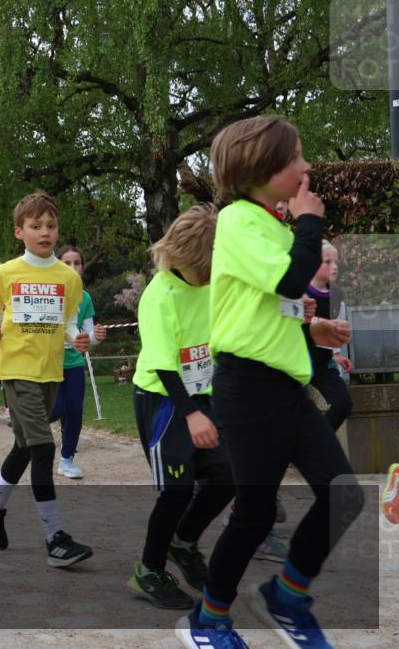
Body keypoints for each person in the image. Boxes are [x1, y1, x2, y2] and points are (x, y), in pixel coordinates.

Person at [176, 116, 361, 649]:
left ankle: (287, 596)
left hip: (285, 387)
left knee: (343, 495)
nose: (306, 166)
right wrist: (310, 222)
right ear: (263, 168)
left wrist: (311, 327)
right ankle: (208, 620)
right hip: (248, 388)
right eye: (296, 158)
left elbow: (271, 301)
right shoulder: (237, 221)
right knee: (254, 515)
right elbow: (288, 278)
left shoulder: (274, 227)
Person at [0, 191, 93, 569]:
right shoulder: (6, 272)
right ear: (19, 232)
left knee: (25, 447)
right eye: (36, 226)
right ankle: (55, 538)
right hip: (14, 368)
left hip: (50, 371)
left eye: (51, 226)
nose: (45, 232)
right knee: (43, 446)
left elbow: (69, 321)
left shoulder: (68, 277)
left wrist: (77, 338)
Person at [128, 205, 234, 610]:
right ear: (181, 257)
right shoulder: (159, 296)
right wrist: (191, 415)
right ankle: (148, 571)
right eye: (203, 269)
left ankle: (183, 541)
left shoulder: (213, 284)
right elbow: (164, 365)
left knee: (228, 474)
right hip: (163, 399)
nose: (208, 276)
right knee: (176, 490)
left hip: (204, 394)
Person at [50, 246, 107, 478]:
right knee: (55, 410)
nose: (73, 268)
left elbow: (88, 337)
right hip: (49, 362)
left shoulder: (86, 298)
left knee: (74, 410)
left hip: (74, 363)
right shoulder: (49, 292)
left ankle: (67, 460)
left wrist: (97, 337)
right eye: (67, 263)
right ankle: (26, 425)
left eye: (77, 263)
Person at [306, 240, 353, 432]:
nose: (334, 267)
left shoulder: (337, 293)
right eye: (328, 262)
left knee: (343, 403)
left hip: (322, 363)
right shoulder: (298, 291)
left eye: (336, 262)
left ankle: (317, 441)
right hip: (295, 361)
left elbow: (330, 326)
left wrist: (336, 353)